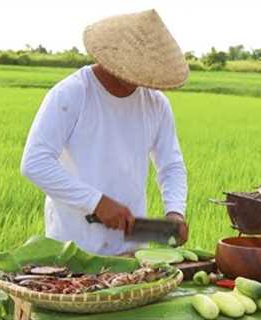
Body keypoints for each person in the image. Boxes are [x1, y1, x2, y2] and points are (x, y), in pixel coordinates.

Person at [20, 9, 189, 255]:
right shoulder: (72, 93)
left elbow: (171, 164)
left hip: (131, 247)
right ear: (114, 57)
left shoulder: (155, 103)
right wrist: (96, 202)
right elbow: (34, 163)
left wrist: (175, 212)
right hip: (74, 246)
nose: (141, 79)